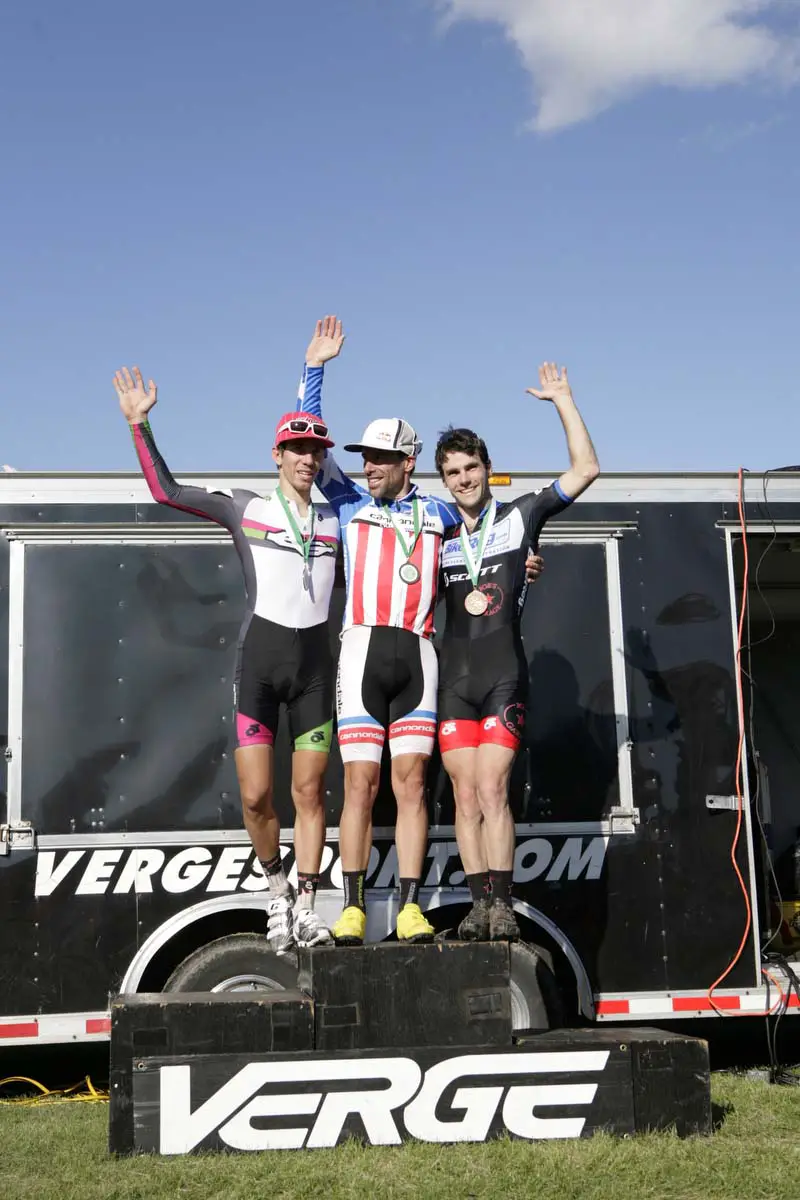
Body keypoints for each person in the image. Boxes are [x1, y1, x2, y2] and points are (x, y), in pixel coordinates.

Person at [113, 350, 344, 953]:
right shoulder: (245, 506)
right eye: (296, 448)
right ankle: (276, 889)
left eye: (316, 449)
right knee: (255, 796)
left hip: (317, 669)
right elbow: (166, 491)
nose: (307, 457)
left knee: (310, 794)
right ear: (277, 455)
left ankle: (309, 903)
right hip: (259, 666)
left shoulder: (343, 514)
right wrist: (140, 423)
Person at [435, 362, 600, 941]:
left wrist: (563, 399)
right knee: (463, 794)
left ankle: (502, 902)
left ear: (488, 469)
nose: (463, 479)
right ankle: (479, 905)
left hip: (503, 672)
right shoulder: (435, 531)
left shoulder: (521, 516)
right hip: (453, 677)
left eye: (471, 467)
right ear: (443, 479)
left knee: (492, 787)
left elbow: (587, 469)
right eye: (452, 472)